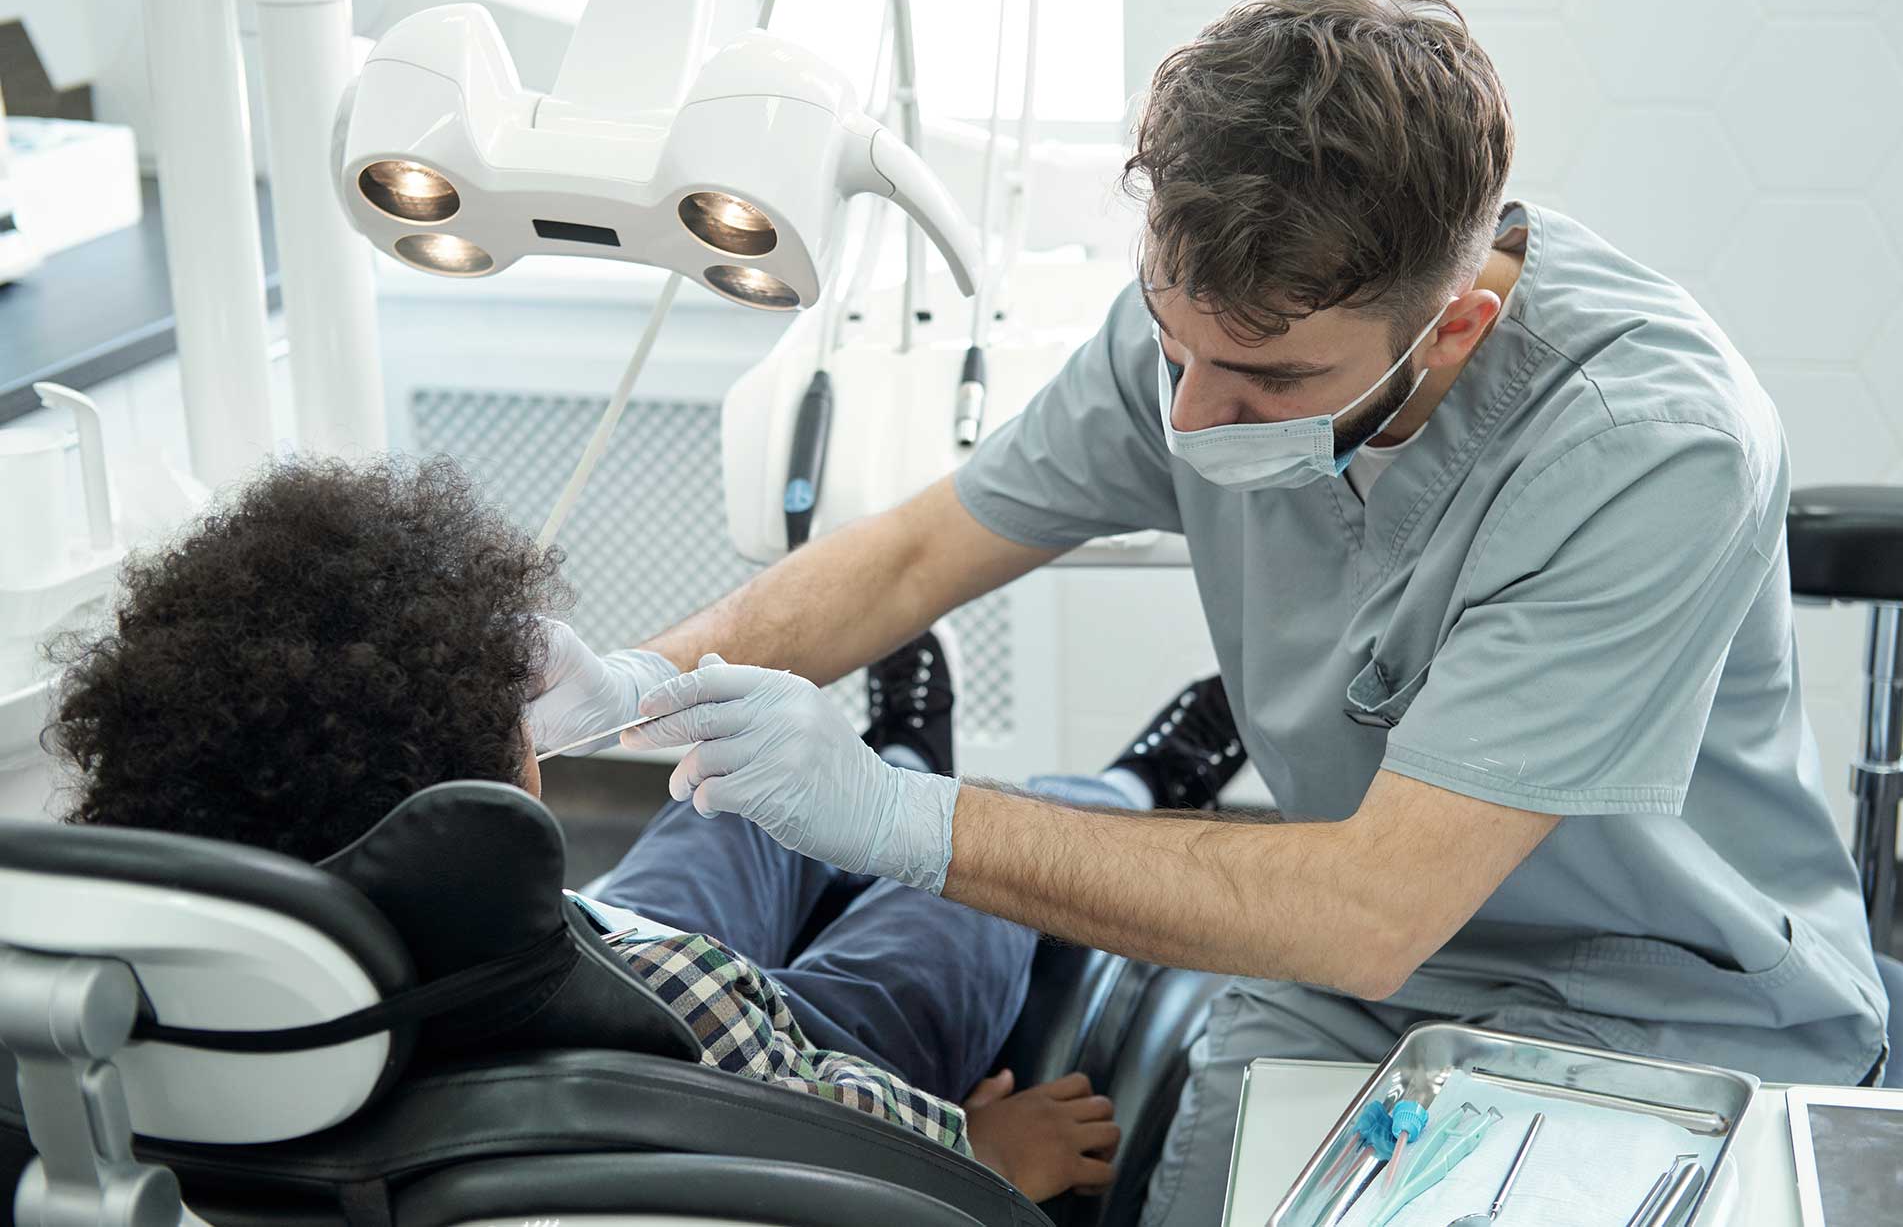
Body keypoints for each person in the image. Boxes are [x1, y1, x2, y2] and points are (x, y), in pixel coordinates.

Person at [530, 0, 1888, 1227]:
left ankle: (1125, 778)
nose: (1187, 415)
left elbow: (1373, 904)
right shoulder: (1212, 318)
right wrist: (636, 681)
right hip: (1348, 980)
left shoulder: (1649, 447)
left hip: (1667, 1003)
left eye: (1265, 382)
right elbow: (912, 557)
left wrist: (900, 814)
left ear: (1455, 326)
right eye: (1169, 340)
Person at [45, 455, 1160, 1203]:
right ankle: (1126, 783)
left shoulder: (170, 1009)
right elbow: (843, 1121)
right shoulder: (689, 995)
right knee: (955, 888)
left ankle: (909, 750)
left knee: (723, 808)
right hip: (731, 1042)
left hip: (547, 963)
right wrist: (987, 1155)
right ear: (503, 784)